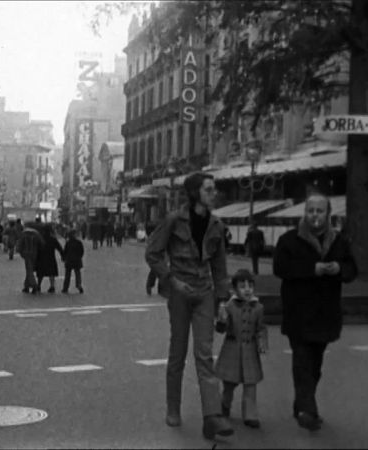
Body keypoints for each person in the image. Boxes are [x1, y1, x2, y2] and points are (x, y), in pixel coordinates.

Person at [145, 172, 234, 439]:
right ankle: (173, 407)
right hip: (180, 292)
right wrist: (171, 280)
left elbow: (219, 266)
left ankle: (212, 417)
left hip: (204, 291)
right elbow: (153, 253)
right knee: (178, 351)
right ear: (195, 193)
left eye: (214, 189)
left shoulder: (216, 224)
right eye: (209, 189)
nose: (214, 194)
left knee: (205, 354)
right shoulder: (174, 220)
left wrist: (222, 300)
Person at [273, 191, 357, 431]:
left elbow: (352, 269)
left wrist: (338, 268)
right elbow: (280, 268)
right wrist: (312, 269)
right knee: (302, 361)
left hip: (325, 314)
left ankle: (300, 404)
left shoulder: (339, 241)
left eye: (319, 211)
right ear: (305, 213)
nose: (314, 215)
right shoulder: (289, 240)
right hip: (298, 313)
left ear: (328, 213)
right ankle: (308, 411)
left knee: (315, 366)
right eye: (310, 210)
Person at [214, 269, 268, 429]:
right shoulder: (229, 306)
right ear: (235, 289)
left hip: (250, 350)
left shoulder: (258, 307)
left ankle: (250, 414)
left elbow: (261, 328)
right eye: (242, 286)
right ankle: (225, 404)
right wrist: (221, 320)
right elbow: (221, 329)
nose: (247, 290)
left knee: (251, 384)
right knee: (229, 383)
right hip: (232, 349)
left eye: (250, 286)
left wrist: (262, 342)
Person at [36, 224, 65, 293]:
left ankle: (38, 285)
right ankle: (52, 286)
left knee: (40, 273)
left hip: (41, 258)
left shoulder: (40, 239)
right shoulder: (53, 239)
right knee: (51, 272)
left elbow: (36, 248)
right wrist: (63, 256)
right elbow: (59, 248)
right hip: (50, 257)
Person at [17, 222, 44, 294]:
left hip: (26, 254)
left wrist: (20, 252)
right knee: (30, 269)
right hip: (34, 254)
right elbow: (42, 243)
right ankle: (26, 286)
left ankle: (34, 285)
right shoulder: (36, 234)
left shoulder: (24, 234)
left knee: (29, 270)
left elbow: (20, 244)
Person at [61, 229, 85, 294]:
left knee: (67, 275)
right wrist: (79, 257)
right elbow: (82, 251)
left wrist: (64, 258)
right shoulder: (78, 242)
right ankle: (79, 286)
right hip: (77, 260)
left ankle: (65, 288)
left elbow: (65, 251)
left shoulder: (68, 243)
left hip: (69, 260)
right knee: (77, 274)